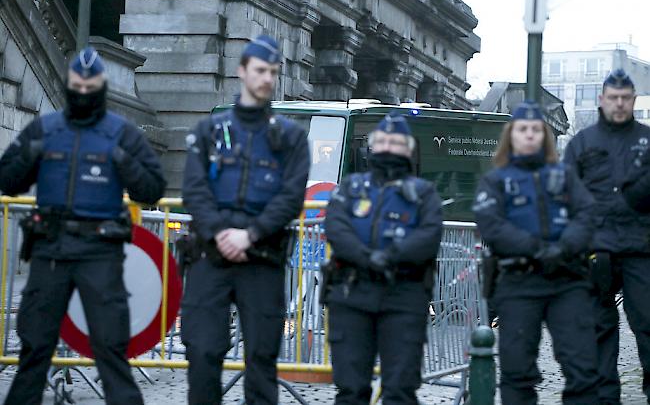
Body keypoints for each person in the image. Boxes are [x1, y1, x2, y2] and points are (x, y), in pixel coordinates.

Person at [0, 47, 166, 405]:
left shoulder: (121, 133)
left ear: (102, 87)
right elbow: (7, 179)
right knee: (35, 350)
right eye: (78, 87)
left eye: (91, 87)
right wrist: (32, 154)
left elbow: (153, 187)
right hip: (51, 250)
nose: (84, 94)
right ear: (68, 85)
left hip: (99, 254)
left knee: (110, 351)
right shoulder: (46, 128)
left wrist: (123, 162)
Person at [181, 35, 310, 404]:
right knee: (202, 354)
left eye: (273, 72)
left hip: (263, 259)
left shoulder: (290, 137)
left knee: (261, 361)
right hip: (210, 257)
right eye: (260, 70)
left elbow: (290, 196)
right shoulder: (208, 131)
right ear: (242, 72)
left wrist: (250, 234)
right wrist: (222, 234)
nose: (267, 78)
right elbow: (195, 190)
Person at [473, 101, 598, 405]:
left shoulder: (565, 175)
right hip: (518, 282)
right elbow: (491, 225)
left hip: (567, 280)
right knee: (517, 370)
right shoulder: (495, 180)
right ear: (511, 135)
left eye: (535, 130)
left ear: (544, 135)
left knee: (582, 366)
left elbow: (587, 215)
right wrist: (537, 249)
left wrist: (564, 247)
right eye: (522, 130)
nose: (529, 135)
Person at [322, 111, 443, 405]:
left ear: (408, 148)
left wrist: (390, 257)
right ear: (372, 146)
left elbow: (428, 234)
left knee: (400, 390)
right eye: (383, 140)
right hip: (352, 293)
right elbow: (336, 227)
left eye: (396, 141)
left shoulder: (424, 193)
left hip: (403, 296)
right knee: (350, 390)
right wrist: (366, 258)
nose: (389, 146)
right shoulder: (350, 188)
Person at [564, 69, 650, 405]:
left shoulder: (647, 140)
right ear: (602, 100)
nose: (619, 104)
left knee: (648, 326)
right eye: (613, 98)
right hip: (595, 250)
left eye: (625, 98)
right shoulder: (582, 143)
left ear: (633, 100)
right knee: (598, 331)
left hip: (641, 249)